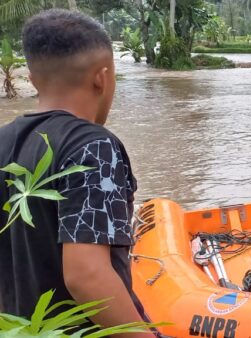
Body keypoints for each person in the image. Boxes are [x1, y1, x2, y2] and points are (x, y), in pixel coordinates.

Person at [0, 9, 154, 337]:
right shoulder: (92, 146)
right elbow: (86, 276)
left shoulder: (3, 141)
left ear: (32, 77)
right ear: (102, 77)